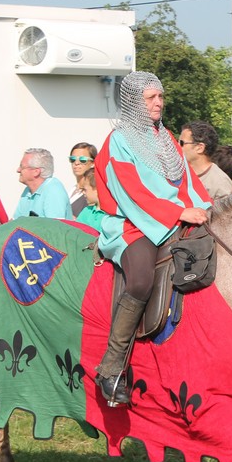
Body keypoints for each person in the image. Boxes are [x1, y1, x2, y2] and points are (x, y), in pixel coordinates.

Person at [93, 71, 211, 405]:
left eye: (160, 96)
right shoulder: (119, 141)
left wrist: (205, 208)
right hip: (131, 223)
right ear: (134, 102)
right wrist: (177, 213)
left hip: (171, 217)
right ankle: (111, 367)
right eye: (150, 98)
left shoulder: (166, 137)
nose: (158, 103)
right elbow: (131, 192)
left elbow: (187, 181)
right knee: (142, 279)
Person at [13, 148, 72, 220]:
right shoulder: (28, 191)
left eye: (22, 166)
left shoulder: (53, 190)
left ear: (36, 172)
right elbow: (14, 222)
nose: (18, 170)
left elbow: (55, 225)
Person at [179, 121, 232, 200]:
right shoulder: (175, 172)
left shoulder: (220, 183)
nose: (177, 145)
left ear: (200, 148)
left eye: (181, 143)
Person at [67, 142, 98, 218]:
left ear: (93, 163)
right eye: (73, 159)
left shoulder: (93, 192)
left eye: (82, 160)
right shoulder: (72, 190)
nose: (76, 163)